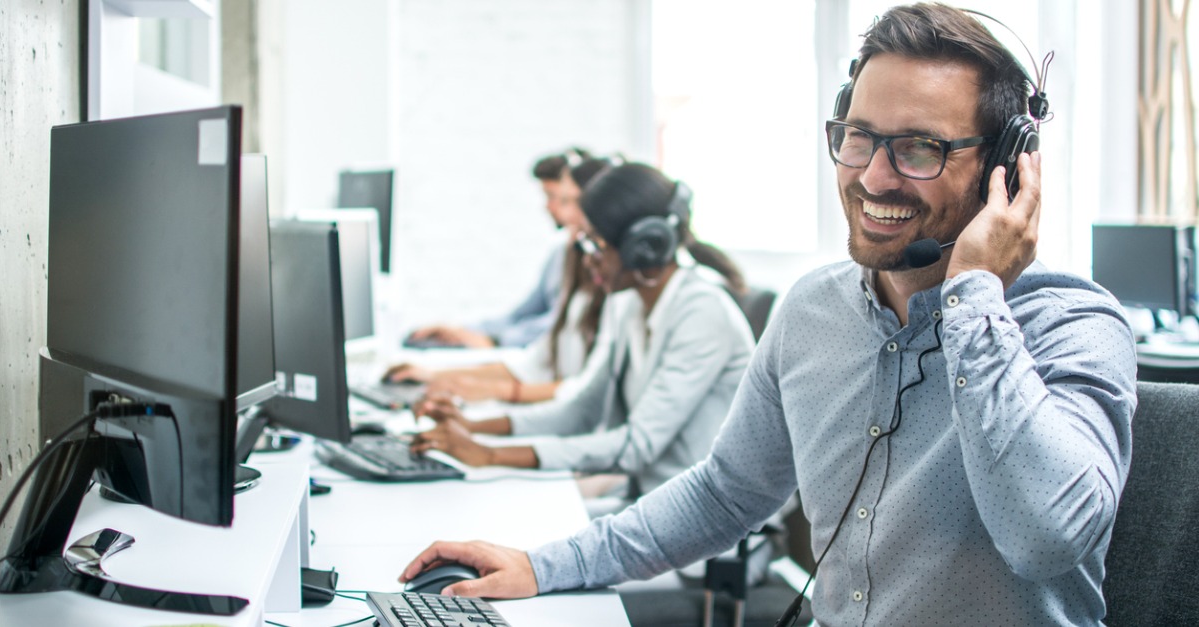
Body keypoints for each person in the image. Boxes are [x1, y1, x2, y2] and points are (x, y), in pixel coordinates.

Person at [398, 4, 1139, 625]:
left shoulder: (1073, 325)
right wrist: (542, 563)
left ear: (1007, 168)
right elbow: (726, 490)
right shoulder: (814, 310)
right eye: (858, 137)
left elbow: (1045, 537)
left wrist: (976, 295)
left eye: (919, 148)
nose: (873, 176)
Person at [409, 162, 756, 507]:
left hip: (707, 524)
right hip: (654, 503)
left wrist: (489, 455)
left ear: (643, 246)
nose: (586, 260)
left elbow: (636, 446)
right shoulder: (628, 302)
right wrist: (473, 426)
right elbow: (580, 411)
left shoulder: (702, 313)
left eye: (594, 244)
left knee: (526, 533)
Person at [385, 158, 615, 404]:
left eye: (568, 201)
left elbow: (583, 391)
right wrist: (438, 371)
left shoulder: (611, 292)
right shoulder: (567, 259)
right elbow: (533, 353)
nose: (558, 210)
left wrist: (491, 362)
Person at [404, 148, 592, 349]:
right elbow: (521, 315)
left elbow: (564, 325)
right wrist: (461, 332)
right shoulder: (560, 255)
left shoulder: (596, 261)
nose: (549, 206)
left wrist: (496, 340)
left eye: (557, 198)